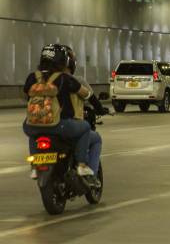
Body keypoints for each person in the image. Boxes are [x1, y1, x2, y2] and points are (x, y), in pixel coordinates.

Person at [23, 44, 95, 178]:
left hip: (30, 125)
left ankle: (34, 167)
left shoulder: (32, 77)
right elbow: (85, 94)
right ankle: (81, 165)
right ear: (64, 61)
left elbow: (25, 95)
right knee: (85, 127)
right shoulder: (64, 78)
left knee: (34, 130)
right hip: (58, 125)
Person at [63, 46, 110, 177]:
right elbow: (91, 97)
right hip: (67, 126)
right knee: (94, 138)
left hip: (44, 127)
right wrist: (100, 109)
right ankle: (90, 175)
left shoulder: (43, 81)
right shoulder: (75, 81)